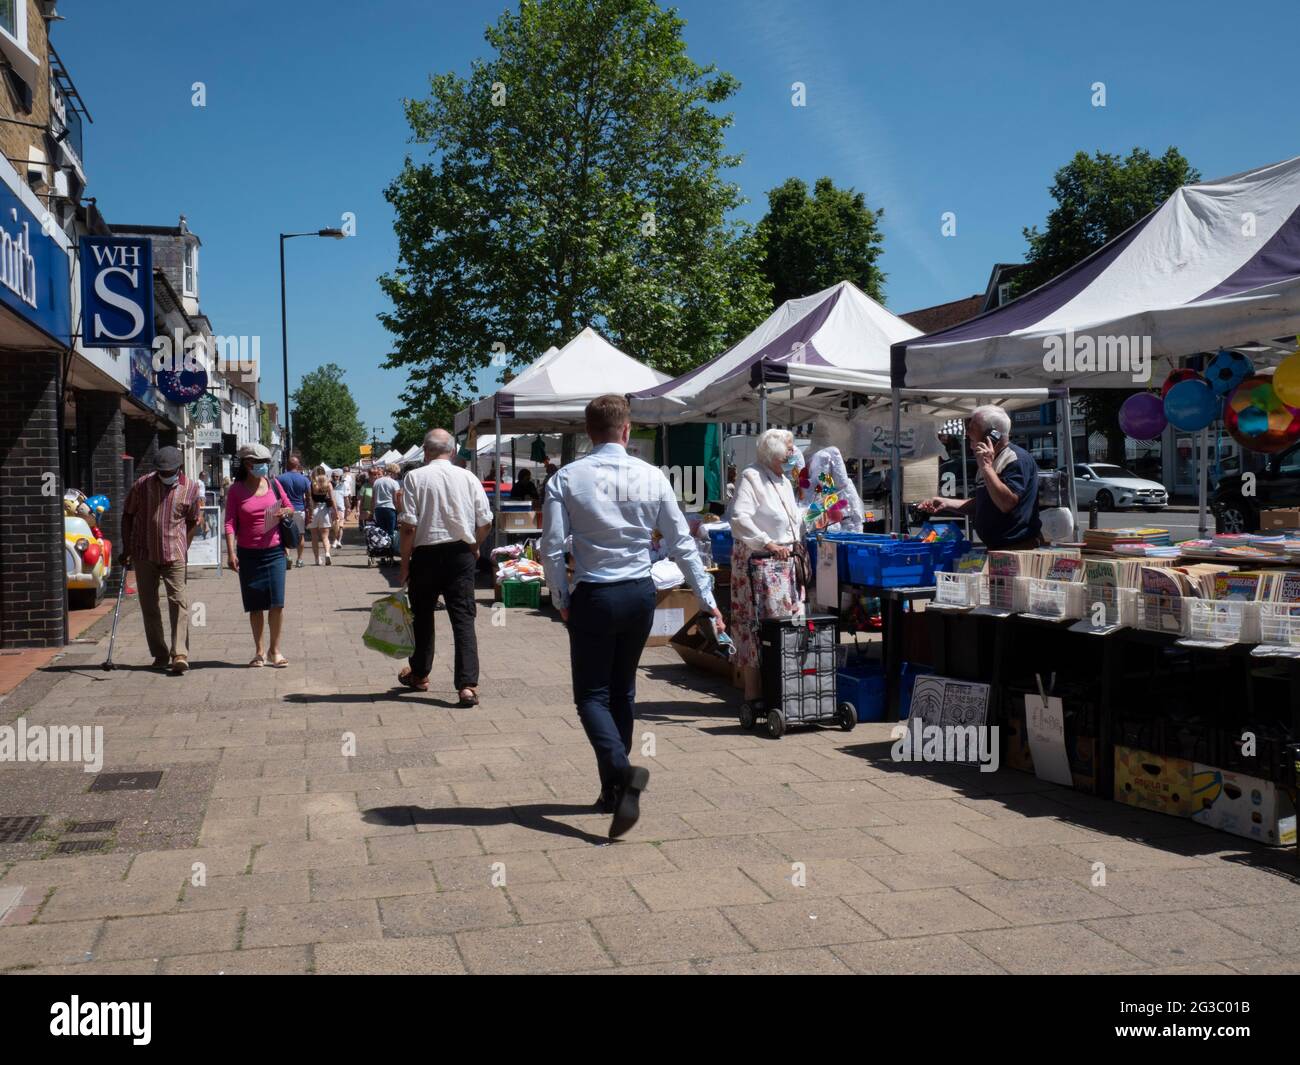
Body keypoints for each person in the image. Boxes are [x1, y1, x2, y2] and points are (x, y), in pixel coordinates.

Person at [542, 394, 724, 839]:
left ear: (588, 432)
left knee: (590, 696)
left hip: (596, 593)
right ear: (627, 431)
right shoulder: (652, 476)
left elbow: (551, 547)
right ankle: (612, 790)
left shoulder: (566, 478)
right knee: (622, 690)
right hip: (641, 593)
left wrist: (560, 596)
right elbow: (682, 543)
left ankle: (620, 774)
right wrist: (706, 596)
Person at [397, 429, 493, 705]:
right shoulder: (468, 477)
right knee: (463, 618)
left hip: (425, 555)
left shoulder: (414, 478)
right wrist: (474, 545)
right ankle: (467, 685)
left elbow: (408, 528)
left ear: (425, 452)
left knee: (422, 617)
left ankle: (420, 674)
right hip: (460, 554)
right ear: (451, 451)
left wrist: (404, 564)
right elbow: (485, 521)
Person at [729, 429, 806, 718]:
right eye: (789, 449)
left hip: (784, 564)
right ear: (774, 453)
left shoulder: (784, 480)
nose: (792, 454)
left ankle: (781, 690)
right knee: (756, 625)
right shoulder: (752, 476)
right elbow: (739, 518)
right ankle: (754, 694)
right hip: (759, 564)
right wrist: (768, 542)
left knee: (785, 624)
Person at [120, 445, 202, 673]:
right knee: (149, 605)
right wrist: (126, 547)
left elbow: (194, 520)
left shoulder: (191, 488)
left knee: (179, 602)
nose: (165, 475)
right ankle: (160, 653)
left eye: (169, 471)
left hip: (174, 553)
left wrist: (184, 545)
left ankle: (180, 654)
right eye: (161, 472)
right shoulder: (142, 484)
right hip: (143, 552)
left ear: (179, 468)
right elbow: (127, 515)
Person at [917, 404, 1043, 550]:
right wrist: (946, 503)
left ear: (992, 436)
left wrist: (987, 468)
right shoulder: (987, 461)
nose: (968, 432)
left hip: (1018, 547)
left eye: (972, 429)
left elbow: (1006, 503)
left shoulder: (1015, 459)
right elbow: (984, 502)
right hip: (997, 547)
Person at [224, 443, 294, 667]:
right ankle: (259, 652)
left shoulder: (273, 484)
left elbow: (290, 506)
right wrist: (231, 552)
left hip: (274, 551)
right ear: (248, 464)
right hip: (248, 554)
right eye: (261, 463)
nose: (265, 466)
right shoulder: (235, 490)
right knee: (255, 605)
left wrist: (285, 511)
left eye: (266, 463)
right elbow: (229, 523)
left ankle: (275, 651)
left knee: (277, 603)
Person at [275, 456, 310, 568]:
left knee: (285, 534)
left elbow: (276, 496)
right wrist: (309, 511)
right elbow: (309, 497)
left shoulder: (279, 479)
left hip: (284, 510)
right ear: (297, 465)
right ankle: (299, 560)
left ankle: (288, 557)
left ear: (287, 465)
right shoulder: (304, 479)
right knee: (301, 535)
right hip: (300, 509)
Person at [308, 465, 340, 565]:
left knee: (314, 536)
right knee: (325, 536)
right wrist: (336, 511)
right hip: (325, 510)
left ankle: (317, 559)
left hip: (314, 510)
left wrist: (310, 512)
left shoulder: (311, 484)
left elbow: (310, 500)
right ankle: (327, 553)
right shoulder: (328, 484)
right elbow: (332, 499)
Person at [372, 463, 401, 537]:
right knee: (391, 532)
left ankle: (383, 548)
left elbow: (373, 498)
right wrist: (399, 511)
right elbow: (395, 500)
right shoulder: (394, 483)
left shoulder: (376, 482)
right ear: (392, 472)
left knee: (381, 532)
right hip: (390, 508)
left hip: (378, 509)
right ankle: (390, 547)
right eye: (396, 473)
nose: (396, 476)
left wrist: (373, 512)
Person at [331, 470, 346, 550]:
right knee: (334, 526)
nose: (335, 478)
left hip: (341, 508)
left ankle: (338, 541)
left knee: (340, 526)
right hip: (331, 508)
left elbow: (346, 497)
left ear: (339, 477)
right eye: (333, 476)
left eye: (336, 476)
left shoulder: (343, 485)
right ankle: (334, 540)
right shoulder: (329, 485)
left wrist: (348, 507)